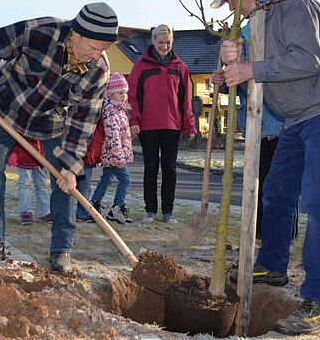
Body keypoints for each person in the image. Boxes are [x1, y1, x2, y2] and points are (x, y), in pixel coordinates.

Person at [212, 0, 320, 335]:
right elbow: (256, 66)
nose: (231, 8)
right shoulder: (259, 19)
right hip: (297, 118)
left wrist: (251, 70)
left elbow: (306, 60)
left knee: (319, 200)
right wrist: (230, 71)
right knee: (276, 192)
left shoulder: (292, 4)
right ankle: (274, 265)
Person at [0, 2, 118, 274]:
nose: (95, 56)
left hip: (52, 122)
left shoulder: (99, 70)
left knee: (67, 183)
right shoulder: (40, 31)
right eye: (92, 47)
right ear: (76, 33)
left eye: (102, 50)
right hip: (8, 109)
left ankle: (61, 251)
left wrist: (70, 166)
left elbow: (83, 121)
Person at [211, 24, 294, 241]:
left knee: (279, 184)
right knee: (256, 183)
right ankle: (258, 232)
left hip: (279, 125)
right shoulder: (240, 38)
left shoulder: (272, 36)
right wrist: (223, 79)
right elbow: (240, 85)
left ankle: (283, 235)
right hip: (254, 126)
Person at [127, 24, 197, 224]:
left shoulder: (180, 67)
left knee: (170, 169)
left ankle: (168, 211)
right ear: (153, 41)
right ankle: (150, 210)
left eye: (168, 42)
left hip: (172, 125)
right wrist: (134, 121)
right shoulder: (141, 66)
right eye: (160, 42)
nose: (164, 46)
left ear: (172, 42)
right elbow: (133, 96)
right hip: (147, 126)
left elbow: (185, 100)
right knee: (150, 168)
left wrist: (189, 124)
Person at [91, 73, 134, 224]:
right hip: (113, 155)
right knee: (126, 179)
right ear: (110, 93)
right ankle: (117, 209)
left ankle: (93, 205)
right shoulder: (110, 111)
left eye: (125, 92)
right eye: (120, 93)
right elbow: (113, 137)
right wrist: (119, 157)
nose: (124, 96)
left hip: (115, 154)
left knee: (106, 179)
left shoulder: (119, 109)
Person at [6, 140, 51, 225]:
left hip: (41, 157)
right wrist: (14, 152)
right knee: (24, 185)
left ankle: (45, 212)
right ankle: (26, 211)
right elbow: (15, 136)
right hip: (24, 156)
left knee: (42, 185)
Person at [75, 113, 105, 223]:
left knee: (83, 185)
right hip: (86, 153)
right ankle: (82, 213)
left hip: (87, 153)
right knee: (84, 186)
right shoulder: (94, 111)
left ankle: (81, 213)